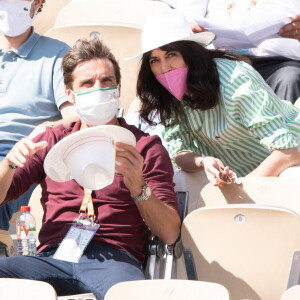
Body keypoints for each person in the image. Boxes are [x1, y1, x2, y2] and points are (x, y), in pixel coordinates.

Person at [0, 38, 180, 300]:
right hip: (52, 256)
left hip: (114, 260)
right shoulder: (52, 139)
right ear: (69, 94)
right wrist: (9, 163)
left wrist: (137, 186)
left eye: (106, 81)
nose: (98, 89)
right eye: (87, 83)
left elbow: (170, 232)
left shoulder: (144, 147)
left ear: (118, 88)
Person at [131, 9, 300, 186]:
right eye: (154, 60)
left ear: (190, 53)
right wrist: (203, 161)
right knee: (183, 179)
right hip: (244, 178)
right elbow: (179, 152)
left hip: (290, 167)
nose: (164, 68)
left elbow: (287, 152)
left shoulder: (235, 78)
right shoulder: (169, 94)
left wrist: (241, 189)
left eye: (171, 54)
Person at [0, 0, 78, 235]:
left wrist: (42, 130)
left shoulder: (57, 53)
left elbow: (73, 118)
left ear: (38, 3)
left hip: (23, 154)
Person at [166, 0, 300, 104]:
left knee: (289, 78)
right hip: (222, 58)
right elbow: (186, 19)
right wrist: (190, 28)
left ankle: (282, 137)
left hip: (279, 61)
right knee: (197, 77)